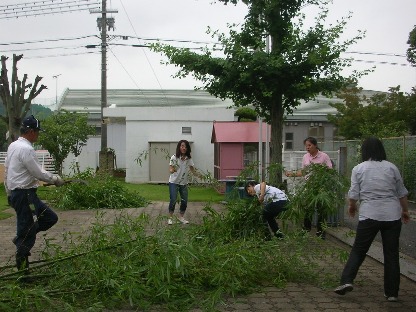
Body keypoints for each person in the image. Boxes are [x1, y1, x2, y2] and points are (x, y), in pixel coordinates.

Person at [334, 137, 410, 302]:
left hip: (369, 215)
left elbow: (353, 194)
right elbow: (401, 193)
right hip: (392, 215)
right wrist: (405, 211)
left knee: (359, 250)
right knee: (391, 254)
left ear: (364, 151)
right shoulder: (392, 167)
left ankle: (346, 281)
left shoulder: (359, 168)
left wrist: (352, 207)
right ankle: (392, 293)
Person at [5, 115, 65, 274]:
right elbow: (37, 172)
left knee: (50, 218)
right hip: (25, 195)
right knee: (26, 228)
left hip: (24, 194)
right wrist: (55, 179)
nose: (38, 135)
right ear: (31, 131)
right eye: (37, 131)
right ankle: (23, 273)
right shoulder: (26, 149)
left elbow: (8, 170)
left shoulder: (13, 146)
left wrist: (8, 192)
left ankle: (21, 238)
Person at [285, 136, 332, 238]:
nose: (307, 147)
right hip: (309, 186)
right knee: (307, 209)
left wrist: (320, 170)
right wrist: (292, 174)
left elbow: (330, 170)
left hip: (321, 187)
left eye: (309, 145)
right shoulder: (305, 157)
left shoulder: (324, 156)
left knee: (321, 210)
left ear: (315, 145)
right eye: (306, 146)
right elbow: (304, 172)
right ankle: (306, 230)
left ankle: (321, 232)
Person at [168, 140, 201, 225]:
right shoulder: (174, 157)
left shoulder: (188, 158)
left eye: (185, 146)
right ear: (179, 147)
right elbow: (171, 169)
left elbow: (192, 170)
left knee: (184, 201)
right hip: (174, 182)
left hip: (184, 183)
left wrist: (199, 175)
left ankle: (181, 217)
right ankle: (170, 218)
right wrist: (172, 170)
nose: (184, 148)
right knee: (173, 200)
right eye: (182, 146)